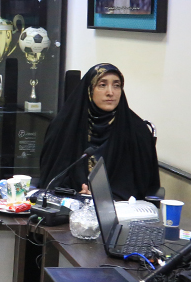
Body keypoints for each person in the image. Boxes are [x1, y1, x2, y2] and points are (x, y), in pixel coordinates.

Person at [40, 63, 159, 200]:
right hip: (69, 203)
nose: (110, 92)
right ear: (89, 89)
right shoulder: (64, 126)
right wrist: (76, 194)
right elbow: (52, 178)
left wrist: (103, 196)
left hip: (120, 206)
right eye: (102, 85)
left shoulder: (137, 130)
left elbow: (141, 185)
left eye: (117, 85)